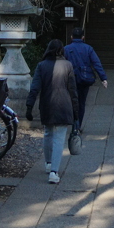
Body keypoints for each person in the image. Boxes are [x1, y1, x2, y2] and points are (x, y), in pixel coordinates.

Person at [26, 39, 79, 183]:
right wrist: (76, 111)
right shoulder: (68, 65)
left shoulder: (41, 66)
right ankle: (54, 172)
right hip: (64, 105)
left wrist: (29, 106)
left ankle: (48, 163)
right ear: (61, 50)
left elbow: (35, 88)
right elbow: (73, 90)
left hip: (47, 105)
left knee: (48, 133)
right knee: (59, 138)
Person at [64, 27, 107, 130]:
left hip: (70, 78)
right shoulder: (88, 48)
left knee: (70, 101)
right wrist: (103, 78)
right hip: (84, 79)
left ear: (71, 37)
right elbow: (96, 63)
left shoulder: (66, 49)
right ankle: (77, 125)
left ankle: (71, 122)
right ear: (83, 37)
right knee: (81, 102)